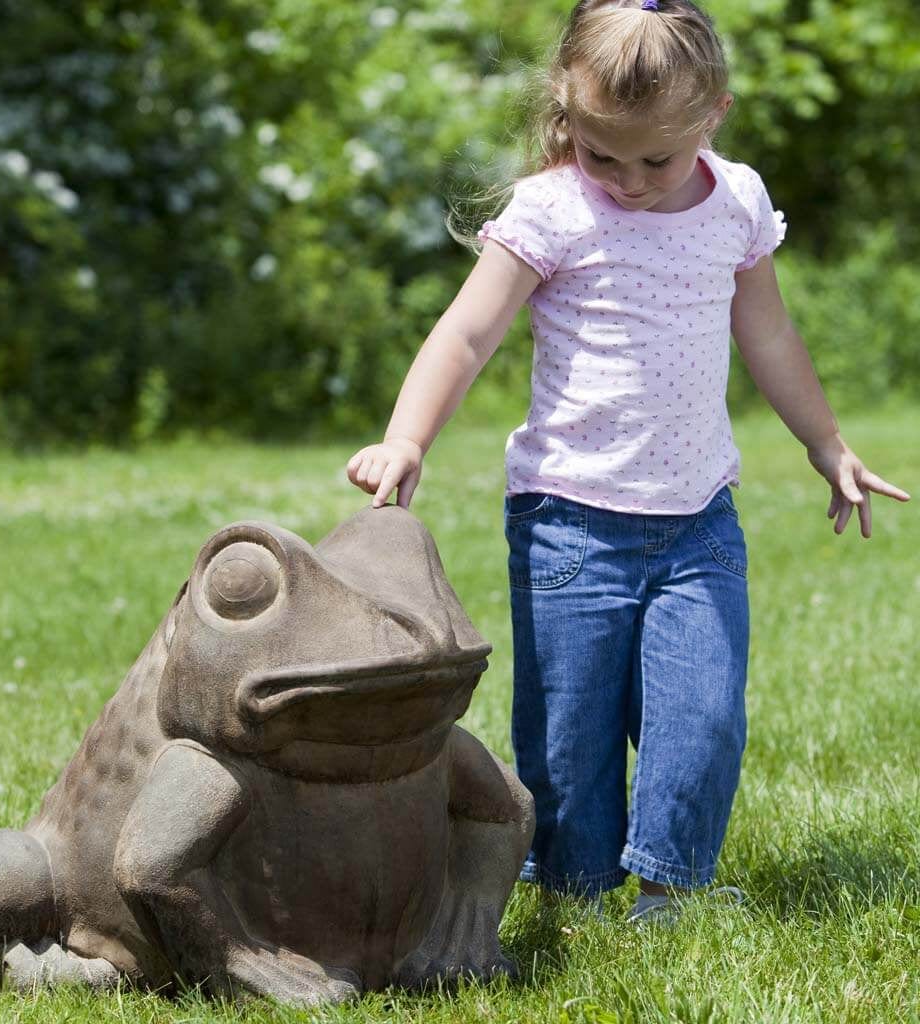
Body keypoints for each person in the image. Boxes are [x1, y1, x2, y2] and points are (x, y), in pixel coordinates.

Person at [345, 0, 909, 923]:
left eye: (658, 158)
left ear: (712, 115)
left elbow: (767, 331)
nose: (632, 180)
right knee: (569, 733)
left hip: (699, 523)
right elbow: (469, 331)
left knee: (704, 716)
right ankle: (573, 892)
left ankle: (670, 890)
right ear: (567, 111)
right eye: (604, 153)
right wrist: (408, 439)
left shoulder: (735, 202)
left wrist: (827, 442)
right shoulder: (553, 208)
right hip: (568, 522)